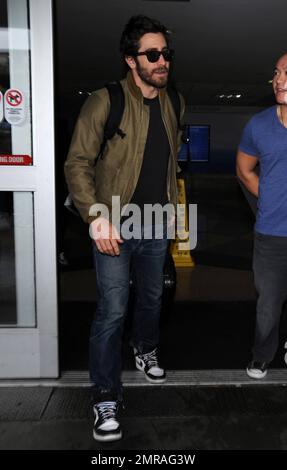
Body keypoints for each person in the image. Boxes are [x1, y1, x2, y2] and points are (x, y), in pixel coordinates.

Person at [64, 15, 184, 442]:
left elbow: (168, 165)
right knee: (113, 310)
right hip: (113, 224)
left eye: (166, 53)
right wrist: (96, 217)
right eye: (152, 54)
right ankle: (104, 395)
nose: (162, 60)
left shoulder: (174, 102)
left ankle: (145, 348)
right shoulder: (105, 100)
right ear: (131, 60)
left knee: (152, 298)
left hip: (155, 224)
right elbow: (77, 163)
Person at [236, 52, 287, 380]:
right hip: (271, 233)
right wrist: (268, 198)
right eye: (277, 73)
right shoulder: (259, 125)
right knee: (268, 304)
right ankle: (262, 354)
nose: (279, 79)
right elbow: (244, 169)